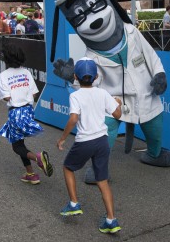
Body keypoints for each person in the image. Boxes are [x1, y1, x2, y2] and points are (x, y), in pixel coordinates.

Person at [57, 57, 122, 234]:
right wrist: (119, 103)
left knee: (68, 167)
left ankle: (73, 203)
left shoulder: (75, 95)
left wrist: (62, 138)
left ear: (76, 77)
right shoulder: (103, 93)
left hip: (85, 141)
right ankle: (111, 219)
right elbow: (117, 115)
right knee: (102, 180)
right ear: (95, 77)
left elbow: (73, 118)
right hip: (102, 141)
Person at [0, 44, 53, 184]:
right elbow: (34, 92)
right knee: (20, 143)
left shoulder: (3, 75)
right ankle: (30, 173)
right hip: (28, 110)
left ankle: (37, 158)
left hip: (15, 112)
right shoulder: (26, 72)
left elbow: (6, 97)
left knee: (17, 146)